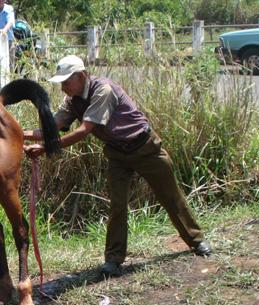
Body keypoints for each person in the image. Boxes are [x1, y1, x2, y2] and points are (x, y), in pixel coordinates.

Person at [24, 55, 211, 277]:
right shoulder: (73, 100)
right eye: (61, 83)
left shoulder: (103, 90)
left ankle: (196, 240)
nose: (63, 87)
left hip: (145, 148)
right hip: (117, 154)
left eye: (67, 82)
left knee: (171, 197)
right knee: (117, 206)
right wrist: (17, 133)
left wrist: (46, 147)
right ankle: (113, 259)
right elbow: (53, 126)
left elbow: (84, 131)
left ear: (82, 76)